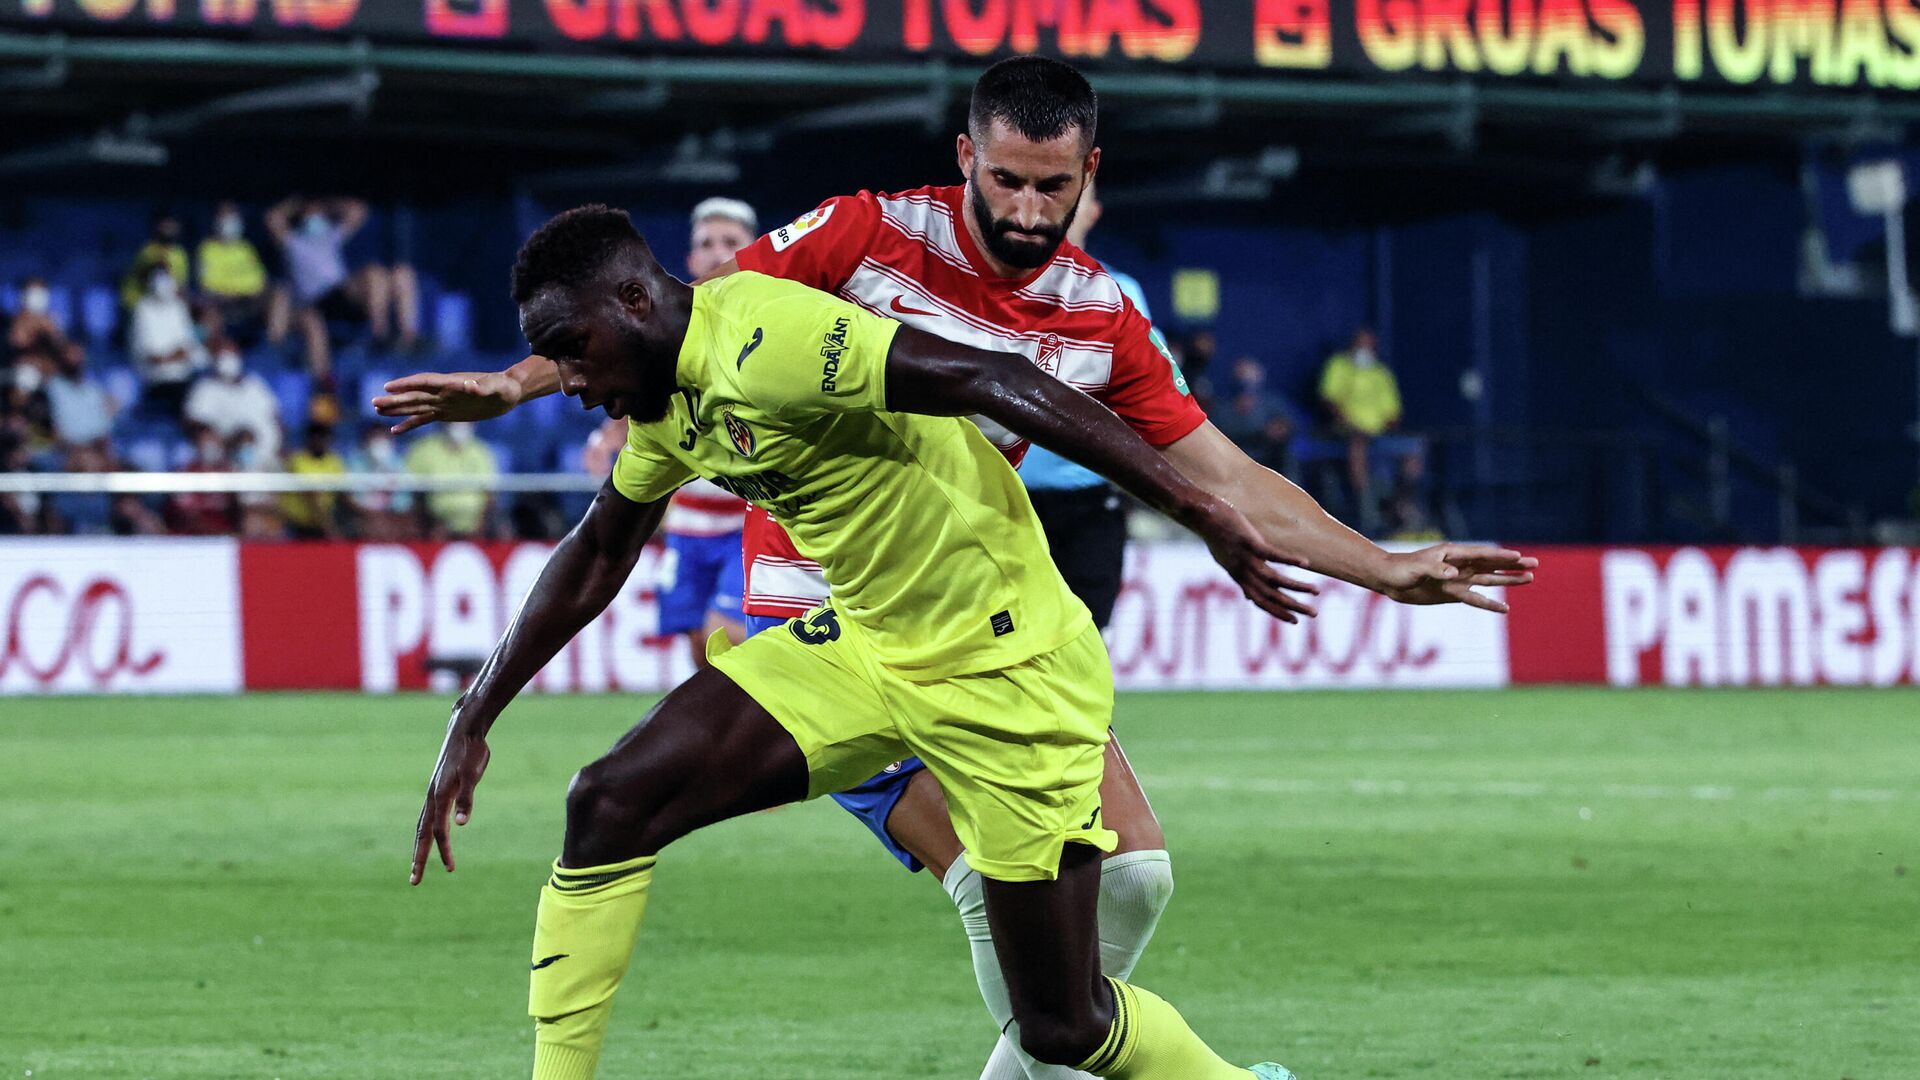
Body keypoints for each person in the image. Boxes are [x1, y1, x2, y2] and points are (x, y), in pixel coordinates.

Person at [377, 58, 1536, 1080]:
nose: (1030, 208)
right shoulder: (852, 244)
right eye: (1007, 181)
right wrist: (516, 393)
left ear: (1091, 172)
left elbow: (1208, 467)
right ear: (965, 161)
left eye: (1056, 185)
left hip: (1002, 655)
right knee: (611, 799)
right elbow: (645, 352)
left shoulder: (1099, 321)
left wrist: (1377, 566)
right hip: (839, 629)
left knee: (1081, 983)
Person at [411, 204, 1333, 1080]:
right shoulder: (666, 404)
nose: (570, 385)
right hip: (865, 642)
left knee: (1062, 1021)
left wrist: (1201, 511)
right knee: (609, 803)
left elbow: (998, 380)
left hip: (1003, 662)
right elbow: (601, 547)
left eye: (573, 354)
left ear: (634, 301)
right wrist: (475, 711)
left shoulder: (769, 339)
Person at [582, 196, 758, 668]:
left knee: (731, 637)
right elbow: (640, 382)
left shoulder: (768, 313)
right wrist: (609, 436)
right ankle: (723, 741)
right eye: (706, 243)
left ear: (754, 248)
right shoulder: (667, 322)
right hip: (688, 524)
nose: (717, 251)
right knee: (701, 649)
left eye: (730, 242)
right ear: (690, 258)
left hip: (750, 519)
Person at [265, 196, 419, 374]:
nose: (315, 217)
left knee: (395, 272)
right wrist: (299, 204)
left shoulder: (330, 235)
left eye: (318, 214)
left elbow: (358, 211)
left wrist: (327, 205)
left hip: (343, 293)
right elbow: (273, 218)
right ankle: (326, 382)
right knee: (371, 272)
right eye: (310, 214)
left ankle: (395, 336)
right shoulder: (292, 242)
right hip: (317, 300)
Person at [1318, 327, 1419, 532]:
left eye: (1368, 344)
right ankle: (1366, 509)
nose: (1364, 348)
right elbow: (1329, 400)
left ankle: (1401, 503)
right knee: (1358, 444)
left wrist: (1387, 427)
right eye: (1360, 343)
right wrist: (1350, 424)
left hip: (1379, 434)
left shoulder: (1381, 373)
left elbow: (1393, 412)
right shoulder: (1338, 366)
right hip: (1345, 432)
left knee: (1414, 447)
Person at [128, 261, 206, 417]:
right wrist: (178, 355)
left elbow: (190, 346)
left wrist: (181, 354)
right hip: (157, 381)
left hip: (186, 377)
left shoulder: (178, 307)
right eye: (159, 277)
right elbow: (154, 358)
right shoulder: (142, 310)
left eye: (167, 277)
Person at [184, 341, 282, 463]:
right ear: (214, 359)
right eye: (222, 355)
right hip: (227, 450)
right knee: (242, 439)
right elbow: (193, 421)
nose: (227, 359)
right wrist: (223, 439)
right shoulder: (205, 388)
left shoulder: (255, 384)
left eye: (231, 354)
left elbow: (276, 416)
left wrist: (283, 447)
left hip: (267, 454)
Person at [404, 422, 496, 539]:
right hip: (433, 523)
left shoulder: (481, 451)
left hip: (475, 525)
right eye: (456, 419)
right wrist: (428, 522)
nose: (460, 424)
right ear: (444, 421)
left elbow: (490, 493)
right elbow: (412, 493)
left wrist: (482, 524)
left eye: (465, 419)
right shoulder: (423, 449)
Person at [196, 201, 272, 342]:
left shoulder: (246, 247)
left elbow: (261, 279)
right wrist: (240, 292)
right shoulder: (207, 249)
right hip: (226, 303)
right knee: (209, 310)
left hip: (252, 301)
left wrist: (255, 291)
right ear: (217, 221)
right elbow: (208, 287)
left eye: (235, 217)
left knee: (280, 294)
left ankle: (273, 346)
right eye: (227, 217)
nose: (232, 222)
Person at [1212, 356, 1296, 476]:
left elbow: (1289, 425)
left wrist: (1280, 429)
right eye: (1241, 380)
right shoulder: (1222, 407)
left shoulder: (1272, 403)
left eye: (1250, 380)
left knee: (1287, 454)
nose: (1246, 385)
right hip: (1234, 458)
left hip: (1267, 457)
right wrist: (1259, 432)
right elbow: (1218, 434)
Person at [44, 344, 116, 454]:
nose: (75, 360)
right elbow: (48, 430)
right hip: (66, 452)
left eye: (78, 356)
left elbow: (105, 430)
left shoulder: (94, 389)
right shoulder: (51, 388)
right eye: (70, 356)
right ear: (61, 359)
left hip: (96, 450)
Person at [346, 425, 415, 540]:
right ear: (366, 442)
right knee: (373, 524)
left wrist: (390, 516)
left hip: (393, 516)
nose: (379, 443)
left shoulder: (398, 464)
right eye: (375, 438)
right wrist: (373, 515)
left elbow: (404, 502)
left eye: (382, 438)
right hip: (365, 516)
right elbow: (351, 499)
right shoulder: (355, 463)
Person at [279, 422, 345, 539]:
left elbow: (343, 492)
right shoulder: (297, 461)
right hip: (297, 523)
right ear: (309, 439)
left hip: (326, 520)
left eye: (323, 438)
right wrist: (330, 528)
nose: (319, 442)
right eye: (316, 438)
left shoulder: (335, 462)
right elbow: (310, 496)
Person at [119, 211, 189, 311]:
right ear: (157, 227)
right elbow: (154, 275)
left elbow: (180, 286)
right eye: (165, 225)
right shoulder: (147, 252)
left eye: (172, 224)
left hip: (161, 306)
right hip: (136, 303)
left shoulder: (180, 254)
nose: (169, 228)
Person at [8, 276, 68, 364]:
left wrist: (51, 331)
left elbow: (62, 346)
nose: (38, 298)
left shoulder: (53, 320)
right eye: (34, 293)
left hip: (50, 368)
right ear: (24, 296)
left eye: (41, 293)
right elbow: (17, 343)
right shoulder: (15, 319)